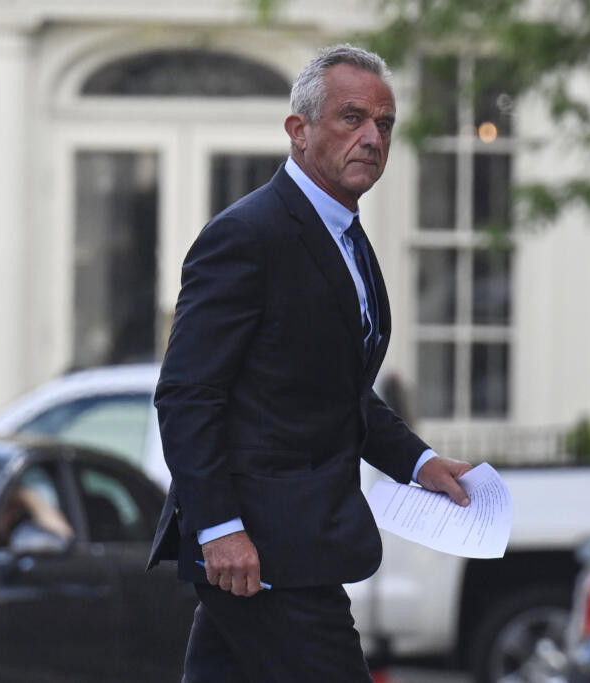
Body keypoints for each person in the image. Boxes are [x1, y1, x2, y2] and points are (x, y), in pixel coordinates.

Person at [146, 44, 473, 682]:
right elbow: (187, 395)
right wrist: (220, 528)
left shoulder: (345, 236)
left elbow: (337, 388)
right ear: (299, 131)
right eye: (352, 118)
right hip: (262, 551)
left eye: (384, 124)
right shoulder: (248, 235)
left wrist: (419, 463)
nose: (372, 138)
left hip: (295, 546)